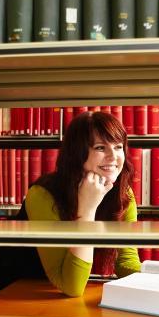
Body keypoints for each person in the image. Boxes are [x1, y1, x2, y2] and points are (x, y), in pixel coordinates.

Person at [24, 111, 141, 298]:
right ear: (77, 153)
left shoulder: (123, 194)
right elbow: (72, 287)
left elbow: (126, 261)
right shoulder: (42, 195)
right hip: (19, 292)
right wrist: (87, 211)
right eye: (100, 148)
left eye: (118, 147)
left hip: (61, 300)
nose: (113, 157)